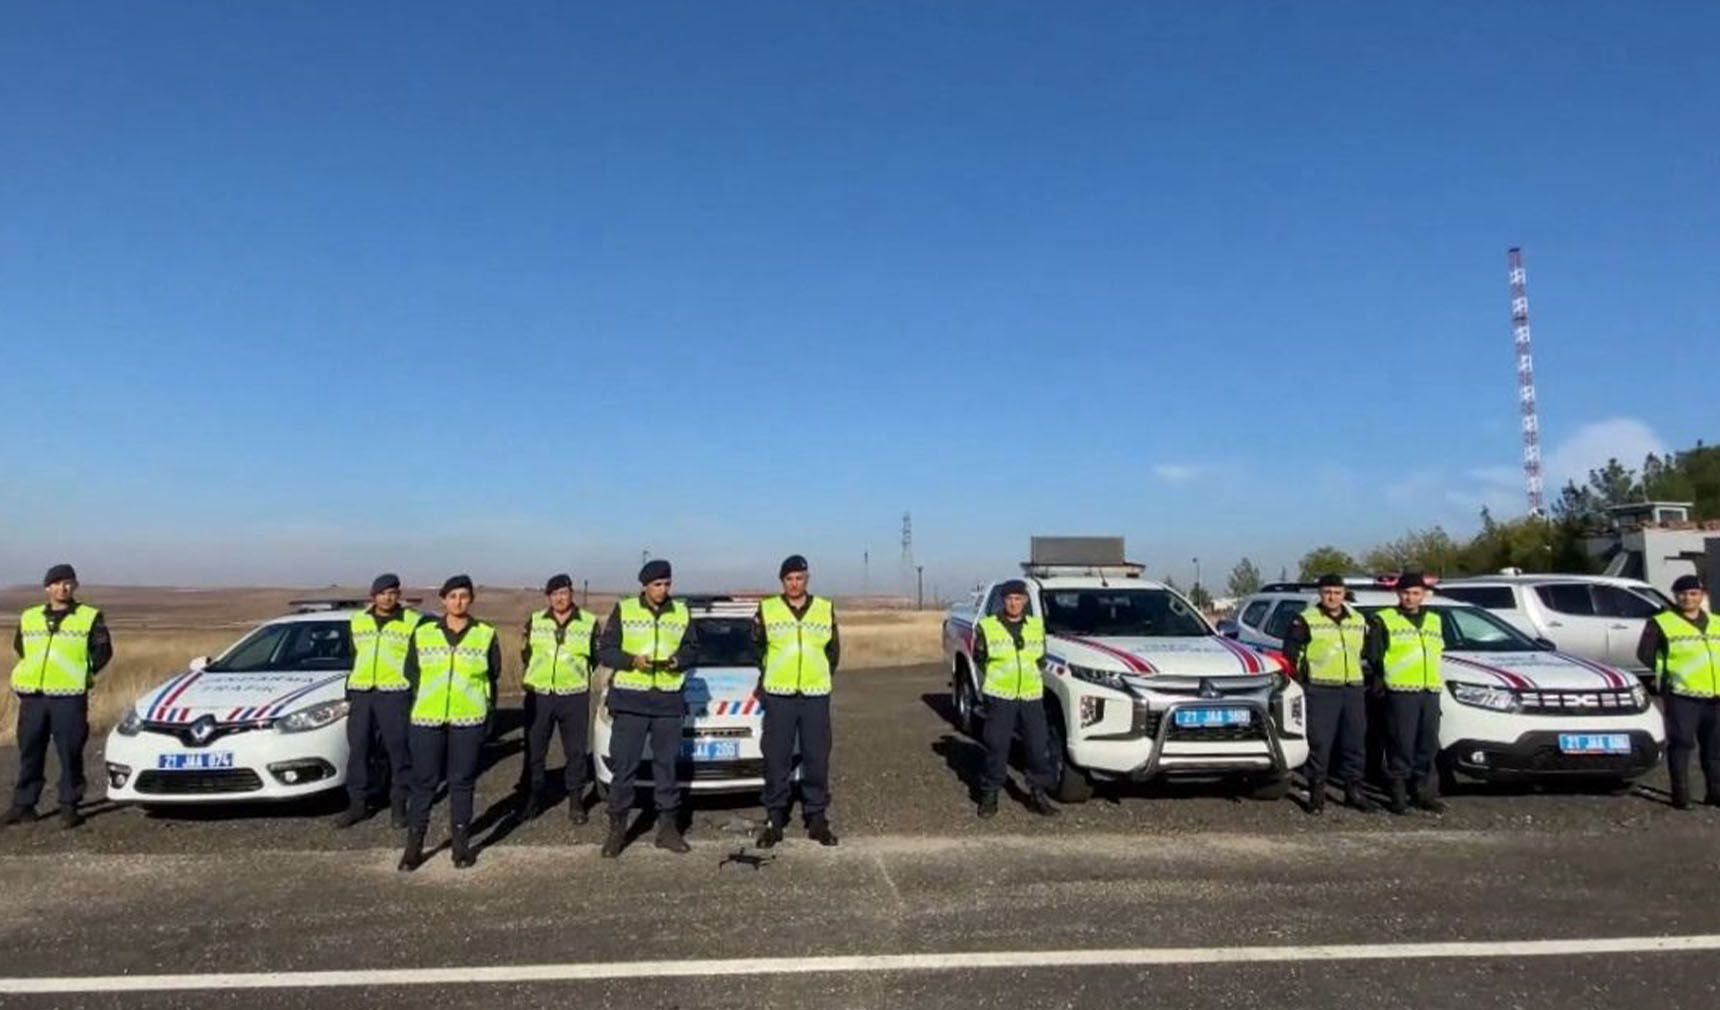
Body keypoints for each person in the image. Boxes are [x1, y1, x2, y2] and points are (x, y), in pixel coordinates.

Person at [398, 575, 500, 872]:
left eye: (464, 596)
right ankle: (413, 849)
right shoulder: (424, 633)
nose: (458, 601)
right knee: (424, 784)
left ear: (471, 600)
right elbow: (411, 672)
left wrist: (486, 713)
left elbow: (491, 675)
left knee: (462, 782)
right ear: (443, 600)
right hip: (428, 718)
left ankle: (460, 847)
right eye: (452, 596)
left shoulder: (485, 633)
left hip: (468, 719)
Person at [598, 559, 698, 858]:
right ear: (645, 585)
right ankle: (617, 831)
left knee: (666, 767)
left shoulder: (681, 612)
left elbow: (693, 649)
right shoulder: (625, 609)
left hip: (667, 701)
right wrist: (632, 661)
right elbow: (607, 651)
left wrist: (678, 660)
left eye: (667, 584)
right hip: (630, 700)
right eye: (657, 584)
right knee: (624, 768)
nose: (663, 589)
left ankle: (667, 830)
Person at [5, 565, 112, 829]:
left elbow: (103, 651)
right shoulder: (29, 617)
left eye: (68, 583)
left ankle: (69, 805)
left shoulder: (89, 617)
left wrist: (82, 671)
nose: (62, 588)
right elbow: (21, 646)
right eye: (56, 583)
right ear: (47, 588)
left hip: (69, 696)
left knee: (70, 750)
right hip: (34, 696)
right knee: (30, 750)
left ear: (75, 586)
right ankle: (24, 805)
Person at [752, 554, 840, 848]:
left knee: (817, 758)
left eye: (799, 578)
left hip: (815, 695)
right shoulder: (767, 609)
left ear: (807, 579)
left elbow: (833, 652)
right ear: (782, 581)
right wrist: (769, 675)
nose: (794, 584)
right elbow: (757, 648)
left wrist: (819, 675)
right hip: (779, 695)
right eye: (789, 579)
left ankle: (816, 819)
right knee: (777, 759)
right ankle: (775, 820)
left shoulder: (825, 609)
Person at [1282, 575, 1378, 815]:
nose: (1333, 597)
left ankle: (1353, 791)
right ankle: (1316, 794)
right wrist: (1301, 681)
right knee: (1320, 744)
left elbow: (1370, 651)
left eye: (1337, 592)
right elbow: (1290, 654)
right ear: (1320, 594)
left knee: (1355, 743)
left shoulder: (1358, 619)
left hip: (1352, 689)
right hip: (1321, 689)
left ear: (1344, 593)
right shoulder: (1305, 619)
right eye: (1328, 592)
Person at [337, 574, 422, 829]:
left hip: (395, 694)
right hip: (362, 693)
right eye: (382, 592)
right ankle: (358, 805)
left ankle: (399, 807)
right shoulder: (358, 621)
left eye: (392, 592)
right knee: (359, 750)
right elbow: (354, 657)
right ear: (373, 596)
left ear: (398, 595)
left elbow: (417, 662)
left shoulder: (413, 622)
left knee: (399, 752)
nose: (387, 597)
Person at [973, 580, 1059, 819]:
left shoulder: (1036, 626)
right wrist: (997, 678)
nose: (1014, 603)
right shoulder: (987, 627)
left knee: (1037, 746)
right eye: (1010, 598)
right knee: (997, 746)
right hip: (1001, 696)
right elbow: (979, 656)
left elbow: (1040, 659)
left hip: (1031, 695)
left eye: (1018, 598)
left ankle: (1037, 793)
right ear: (1003, 600)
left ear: (1025, 601)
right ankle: (989, 794)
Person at [520, 573, 599, 824]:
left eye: (564, 593)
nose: (560, 598)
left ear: (571, 594)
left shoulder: (589, 622)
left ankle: (576, 802)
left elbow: (595, 657)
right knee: (535, 750)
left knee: (575, 752)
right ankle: (534, 797)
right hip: (540, 695)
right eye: (554, 594)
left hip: (573, 696)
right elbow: (526, 653)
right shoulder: (535, 621)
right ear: (548, 597)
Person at [1364, 572, 1446, 815]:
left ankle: (1422, 793)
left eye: (1415, 593)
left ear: (1423, 595)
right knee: (1401, 744)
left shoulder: (1434, 620)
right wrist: (1383, 682)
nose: (1410, 598)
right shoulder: (1384, 619)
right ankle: (1398, 795)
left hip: (1429, 690)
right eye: (1406, 593)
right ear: (1398, 594)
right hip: (1400, 692)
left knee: (1427, 745)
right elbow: (1374, 655)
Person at [1638, 574, 1720, 809]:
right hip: (1682, 694)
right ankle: (1681, 797)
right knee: (1682, 745)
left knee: (1715, 749)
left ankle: (1715, 794)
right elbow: (1644, 653)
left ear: (1701, 596)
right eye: (1683, 594)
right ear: (1676, 596)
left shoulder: (1717, 622)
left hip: (1715, 696)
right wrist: (1667, 674)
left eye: (1693, 593)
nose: (1688, 598)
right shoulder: (1661, 623)